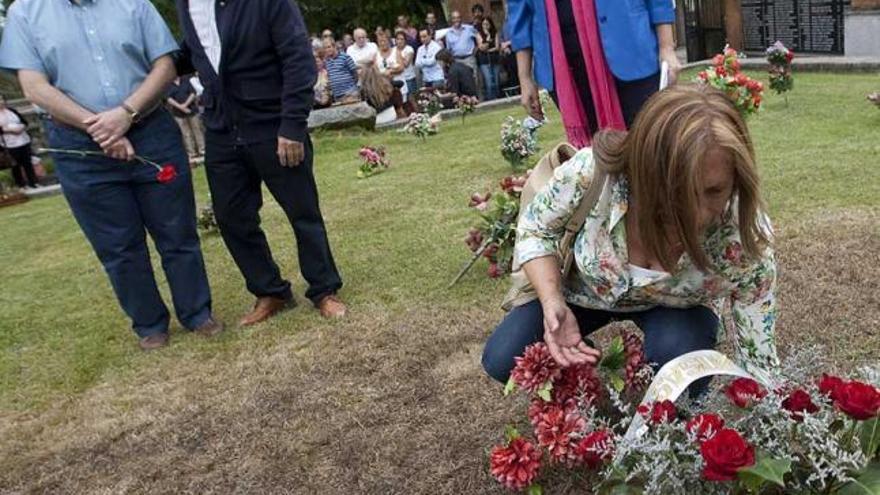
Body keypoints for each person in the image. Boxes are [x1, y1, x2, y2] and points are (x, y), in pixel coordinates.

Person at [482, 86, 780, 396]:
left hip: (674, 309)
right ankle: (586, 375)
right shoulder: (590, 174)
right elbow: (535, 229)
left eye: (714, 191)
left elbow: (758, 358)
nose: (697, 215)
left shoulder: (745, 237)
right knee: (504, 357)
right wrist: (552, 299)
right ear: (643, 171)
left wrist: (766, 411)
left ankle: (669, 388)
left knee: (681, 365)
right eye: (678, 191)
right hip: (582, 292)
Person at [0, 0, 221, 350]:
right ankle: (150, 325)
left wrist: (125, 113)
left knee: (176, 231)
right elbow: (34, 87)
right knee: (118, 245)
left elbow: (165, 65)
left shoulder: (134, 4)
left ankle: (197, 313)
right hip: (79, 144)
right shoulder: (25, 13)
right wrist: (100, 128)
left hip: (151, 130)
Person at [177, 0, 347, 323]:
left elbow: (298, 59)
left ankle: (324, 289)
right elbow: (196, 52)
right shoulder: (186, 5)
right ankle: (270, 291)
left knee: (302, 211)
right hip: (221, 127)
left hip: (273, 123)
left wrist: (293, 124)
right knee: (230, 216)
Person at [507, 0, 682, 147]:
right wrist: (525, 77)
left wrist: (666, 47)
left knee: (651, 145)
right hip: (567, 66)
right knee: (596, 157)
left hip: (631, 49)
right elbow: (519, 12)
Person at [0, 95, 37, 189]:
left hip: (23, 140)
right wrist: (8, 130)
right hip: (8, 144)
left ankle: (33, 182)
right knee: (15, 165)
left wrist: (22, 127)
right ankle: (21, 184)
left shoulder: (11, 111)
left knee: (27, 163)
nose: (1, 101)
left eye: (2, 99)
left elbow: (24, 122)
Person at [165, 76, 205, 161]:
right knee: (186, 133)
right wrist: (181, 107)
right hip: (178, 113)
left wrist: (185, 105)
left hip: (192, 110)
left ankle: (202, 150)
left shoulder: (186, 79)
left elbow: (193, 93)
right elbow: (168, 98)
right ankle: (192, 153)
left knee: (197, 130)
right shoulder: (168, 84)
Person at [443, 11, 482, 96]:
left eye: (458, 17)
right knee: (461, 82)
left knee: (474, 79)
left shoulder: (469, 28)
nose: (456, 20)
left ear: (461, 18)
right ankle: (466, 102)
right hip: (457, 60)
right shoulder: (448, 34)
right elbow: (448, 49)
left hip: (469, 58)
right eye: (454, 18)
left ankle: (478, 100)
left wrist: (479, 46)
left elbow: (478, 36)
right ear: (451, 20)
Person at [323, 39, 361, 104]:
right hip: (337, 96)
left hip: (350, 93)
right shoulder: (327, 61)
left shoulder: (345, 57)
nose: (327, 50)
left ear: (334, 46)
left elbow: (355, 74)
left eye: (329, 47)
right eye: (325, 48)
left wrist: (351, 89)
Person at [477, 18, 501, 101]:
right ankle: (491, 99)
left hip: (495, 59)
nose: (486, 26)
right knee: (489, 81)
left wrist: (489, 49)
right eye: (484, 24)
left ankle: (498, 98)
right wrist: (487, 38)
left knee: (497, 81)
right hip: (484, 61)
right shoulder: (479, 34)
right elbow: (482, 48)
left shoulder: (495, 33)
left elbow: (497, 47)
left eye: (487, 24)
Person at [393, 30, 418, 100]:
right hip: (398, 78)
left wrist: (398, 54)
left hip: (409, 78)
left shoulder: (409, 49)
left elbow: (406, 64)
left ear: (405, 40)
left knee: (411, 98)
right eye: (397, 39)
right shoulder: (392, 50)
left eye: (402, 39)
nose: (399, 41)